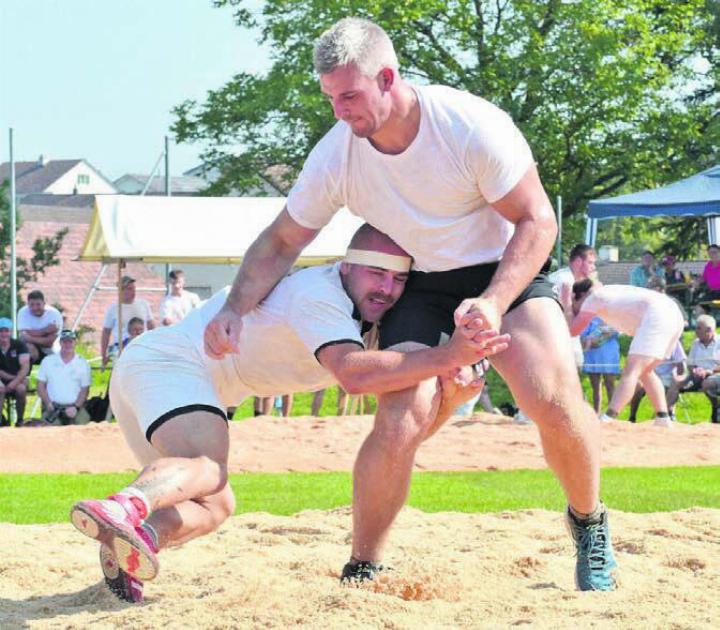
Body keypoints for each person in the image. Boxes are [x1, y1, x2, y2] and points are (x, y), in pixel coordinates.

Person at [203, 17, 617, 591]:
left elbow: (538, 220)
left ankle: (589, 522)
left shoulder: (469, 126)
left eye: (349, 95)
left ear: (388, 78)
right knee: (399, 416)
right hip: (420, 281)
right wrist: (234, 309)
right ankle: (365, 563)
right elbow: (279, 242)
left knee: (550, 397)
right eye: (330, 98)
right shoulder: (336, 155)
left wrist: (494, 302)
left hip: (505, 271)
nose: (339, 111)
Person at [70, 225, 508, 603]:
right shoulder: (320, 293)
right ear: (347, 265)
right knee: (209, 468)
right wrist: (447, 354)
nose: (387, 288)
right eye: (377, 272)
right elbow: (352, 375)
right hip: (169, 362)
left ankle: (132, 543)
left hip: (180, 377)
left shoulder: (371, 319)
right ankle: (123, 507)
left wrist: (451, 394)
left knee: (217, 503)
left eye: (398, 279)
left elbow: (404, 433)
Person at [570, 280, 684, 427]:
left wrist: (567, 307)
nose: (576, 311)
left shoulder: (593, 298)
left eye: (574, 305)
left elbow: (573, 330)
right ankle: (663, 417)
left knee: (631, 372)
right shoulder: (611, 291)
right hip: (673, 312)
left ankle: (608, 418)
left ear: (579, 295)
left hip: (657, 314)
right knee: (645, 371)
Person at [549, 243, 598, 368]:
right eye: (590, 262)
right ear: (578, 262)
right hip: (555, 339)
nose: (593, 267)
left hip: (566, 337)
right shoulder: (563, 280)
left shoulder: (574, 281)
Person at [665, 314, 720, 417]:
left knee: (707, 383)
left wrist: (708, 371)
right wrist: (694, 370)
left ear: (708, 330)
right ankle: (667, 413)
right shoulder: (696, 343)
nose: (696, 331)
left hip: (714, 375)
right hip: (695, 376)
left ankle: (715, 406)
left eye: (699, 328)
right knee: (676, 381)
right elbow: (690, 363)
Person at [37, 329, 91, 425]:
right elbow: (40, 386)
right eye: (64, 341)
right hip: (53, 407)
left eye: (70, 341)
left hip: (74, 407)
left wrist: (76, 407)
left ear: (75, 343)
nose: (67, 344)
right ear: (60, 343)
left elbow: (85, 389)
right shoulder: (48, 361)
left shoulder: (83, 363)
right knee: (48, 430)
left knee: (84, 426)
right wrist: (48, 404)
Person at [101, 276, 156, 367]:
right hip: (122, 349)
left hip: (142, 347)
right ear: (121, 291)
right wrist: (103, 354)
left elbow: (151, 326)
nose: (133, 292)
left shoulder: (143, 304)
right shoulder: (113, 309)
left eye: (133, 288)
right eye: (129, 289)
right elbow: (106, 332)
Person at [629, 342, 686, 423]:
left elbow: (681, 365)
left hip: (667, 375)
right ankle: (632, 417)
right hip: (649, 373)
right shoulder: (649, 340)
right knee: (637, 386)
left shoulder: (674, 342)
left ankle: (667, 413)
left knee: (672, 385)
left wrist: (678, 377)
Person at [580, 317, 620, 414]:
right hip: (592, 354)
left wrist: (598, 341)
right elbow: (583, 334)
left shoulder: (614, 316)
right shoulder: (590, 317)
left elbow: (614, 331)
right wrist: (589, 341)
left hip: (608, 354)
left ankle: (612, 413)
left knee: (610, 384)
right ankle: (596, 412)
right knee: (595, 386)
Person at [17, 289, 64, 364]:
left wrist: (31, 336)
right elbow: (24, 336)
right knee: (27, 348)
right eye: (32, 305)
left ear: (44, 303)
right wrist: (45, 331)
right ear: (27, 304)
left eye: (38, 304)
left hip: (52, 348)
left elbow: (50, 342)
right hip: (31, 346)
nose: (35, 308)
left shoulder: (54, 314)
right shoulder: (22, 312)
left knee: (59, 359)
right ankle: (24, 374)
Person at [0, 317, 30, 427]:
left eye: (6, 330)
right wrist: (13, 380)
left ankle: (20, 420)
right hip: (4, 379)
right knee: (0, 389)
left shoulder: (19, 345)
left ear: (11, 331)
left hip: (18, 379)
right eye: (1, 330)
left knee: (21, 389)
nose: (3, 333)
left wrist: (14, 382)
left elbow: (25, 367)